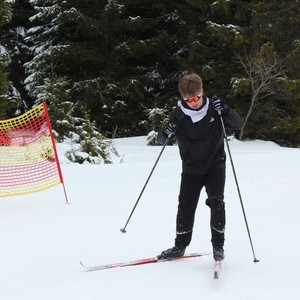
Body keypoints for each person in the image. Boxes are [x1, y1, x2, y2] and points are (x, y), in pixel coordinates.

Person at [156, 73, 243, 261]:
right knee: (186, 206)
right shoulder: (178, 114)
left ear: (202, 91)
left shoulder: (215, 108)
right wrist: (166, 132)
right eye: (188, 99)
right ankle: (180, 246)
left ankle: (218, 246)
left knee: (217, 203)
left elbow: (238, 124)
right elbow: (161, 140)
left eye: (196, 97)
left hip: (215, 165)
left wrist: (226, 110)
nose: (193, 102)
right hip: (191, 168)